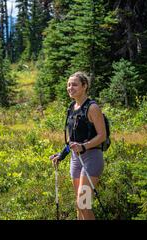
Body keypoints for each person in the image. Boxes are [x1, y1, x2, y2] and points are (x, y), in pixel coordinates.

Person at [50, 72, 107, 220]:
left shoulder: (92, 107)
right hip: (76, 160)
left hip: (92, 158)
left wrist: (84, 146)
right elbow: (72, 139)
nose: (70, 88)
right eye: (68, 85)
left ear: (84, 86)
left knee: (84, 204)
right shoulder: (72, 107)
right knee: (79, 205)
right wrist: (62, 155)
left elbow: (102, 136)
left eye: (74, 84)